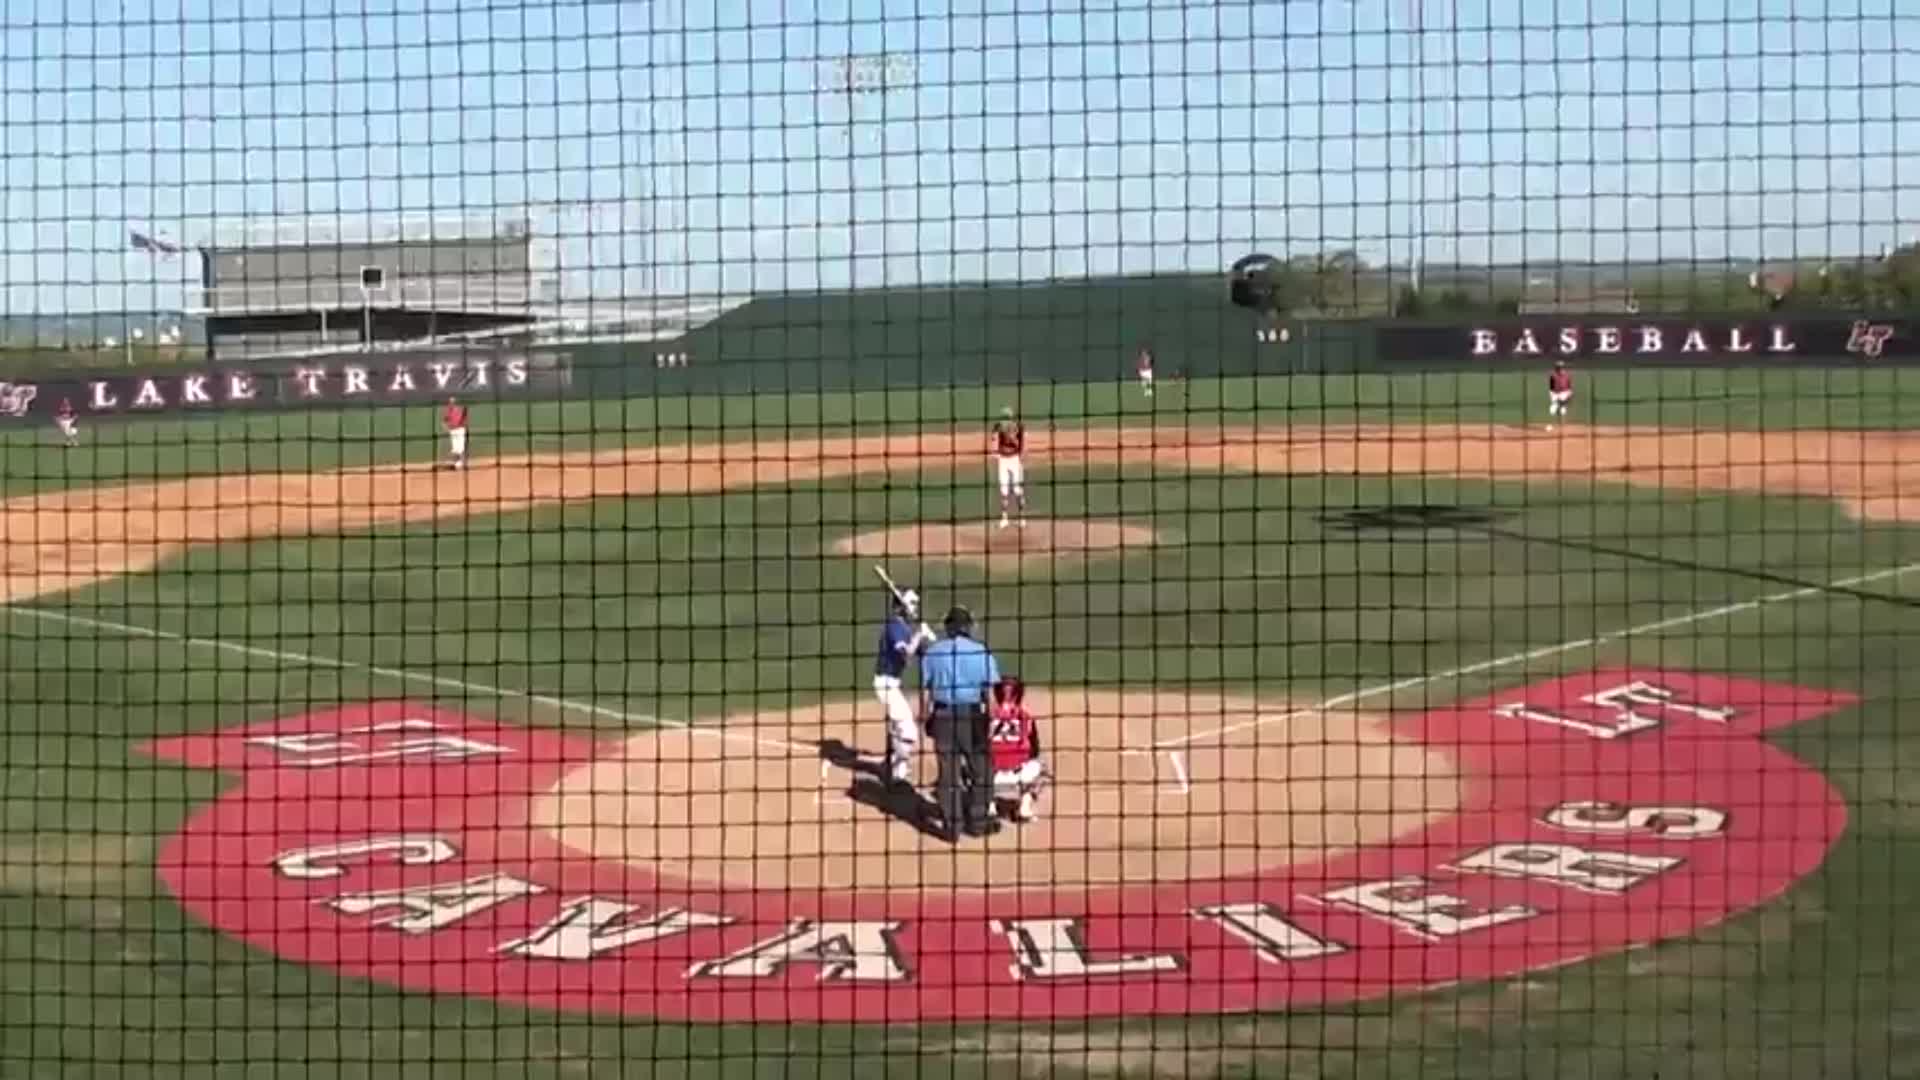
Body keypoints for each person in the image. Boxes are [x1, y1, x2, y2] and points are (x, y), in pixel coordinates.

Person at [918, 605, 1002, 840]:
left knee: (948, 773)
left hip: (943, 717)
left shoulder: (933, 653)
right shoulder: (980, 652)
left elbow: (927, 691)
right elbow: (989, 694)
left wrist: (925, 717)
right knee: (982, 771)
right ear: (968, 627)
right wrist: (991, 719)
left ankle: (952, 827)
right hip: (973, 717)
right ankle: (977, 822)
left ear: (947, 628)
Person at [873, 586, 936, 788]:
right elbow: (906, 654)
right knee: (908, 730)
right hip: (885, 684)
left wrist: (929, 642)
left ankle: (890, 762)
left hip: (891, 684)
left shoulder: (904, 627)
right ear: (902, 606)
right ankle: (897, 773)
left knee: (898, 725)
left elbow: (921, 653)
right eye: (913, 603)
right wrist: (919, 635)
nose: (916, 607)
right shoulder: (894, 626)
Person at [987, 675, 1049, 823]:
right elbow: (1034, 750)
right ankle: (1024, 809)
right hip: (1019, 775)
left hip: (989, 777)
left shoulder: (986, 716)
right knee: (1043, 769)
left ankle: (989, 807)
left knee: (970, 762)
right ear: (1019, 693)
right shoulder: (1025, 717)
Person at [990, 406, 1027, 530]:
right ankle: (1004, 518)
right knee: (1004, 491)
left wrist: (1021, 456)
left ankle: (1022, 518)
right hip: (1003, 460)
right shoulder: (998, 426)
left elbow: (1023, 443)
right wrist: (994, 450)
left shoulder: (1019, 426)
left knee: (1017, 490)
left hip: (1014, 460)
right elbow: (994, 439)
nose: (1005, 420)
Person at [1546, 361, 1574, 432]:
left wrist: (1569, 394)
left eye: (1561, 367)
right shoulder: (1553, 376)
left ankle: (1562, 424)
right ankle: (1550, 424)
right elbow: (1551, 387)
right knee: (1553, 407)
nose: (1560, 369)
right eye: (1558, 367)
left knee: (1562, 408)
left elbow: (1569, 386)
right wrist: (1553, 396)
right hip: (1555, 393)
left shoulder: (1567, 375)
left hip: (1564, 393)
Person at [443, 396, 469, 469]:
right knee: (455, 448)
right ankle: (457, 462)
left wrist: (464, 426)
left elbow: (464, 419)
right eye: (450, 402)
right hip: (453, 431)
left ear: (455, 402)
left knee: (460, 447)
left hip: (460, 430)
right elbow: (445, 420)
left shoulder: (459, 409)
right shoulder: (447, 410)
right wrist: (446, 428)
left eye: (453, 402)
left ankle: (461, 463)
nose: (451, 403)